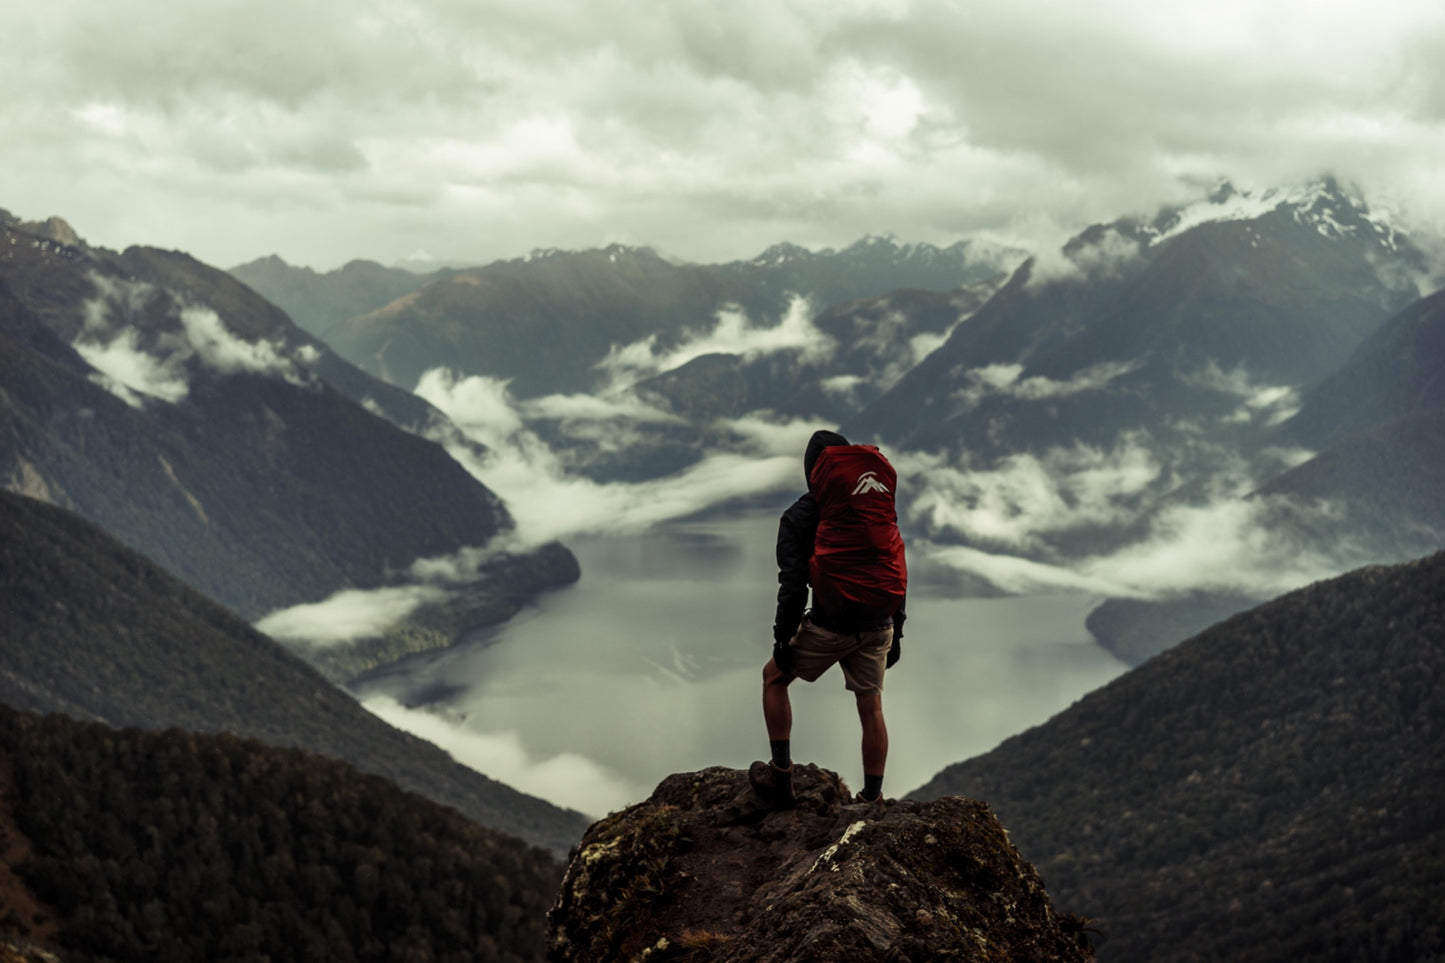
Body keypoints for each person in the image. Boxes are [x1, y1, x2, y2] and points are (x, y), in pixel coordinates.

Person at [750, 429, 907, 808]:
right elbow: (894, 563)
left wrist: (782, 641)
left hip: (829, 626)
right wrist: (896, 631)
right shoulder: (873, 507)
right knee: (871, 707)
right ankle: (871, 799)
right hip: (879, 624)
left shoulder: (800, 516)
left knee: (774, 678)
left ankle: (780, 777)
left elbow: (793, 585)